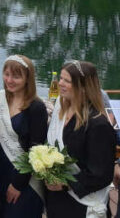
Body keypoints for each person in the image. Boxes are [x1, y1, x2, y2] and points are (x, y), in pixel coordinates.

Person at [45, 60, 115, 218]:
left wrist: (65, 183)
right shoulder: (61, 110)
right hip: (57, 199)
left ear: (83, 87)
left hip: (81, 204)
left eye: (66, 81)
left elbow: (101, 175)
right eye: (60, 78)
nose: (60, 83)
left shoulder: (98, 125)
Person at [0, 55, 47, 218]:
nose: (10, 80)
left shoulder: (36, 107)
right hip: (2, 171)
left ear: (28, 78)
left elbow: (35, 151)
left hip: (24, 178)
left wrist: (18, 184)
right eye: (6, 74)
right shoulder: (1, 99)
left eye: (16, 76)